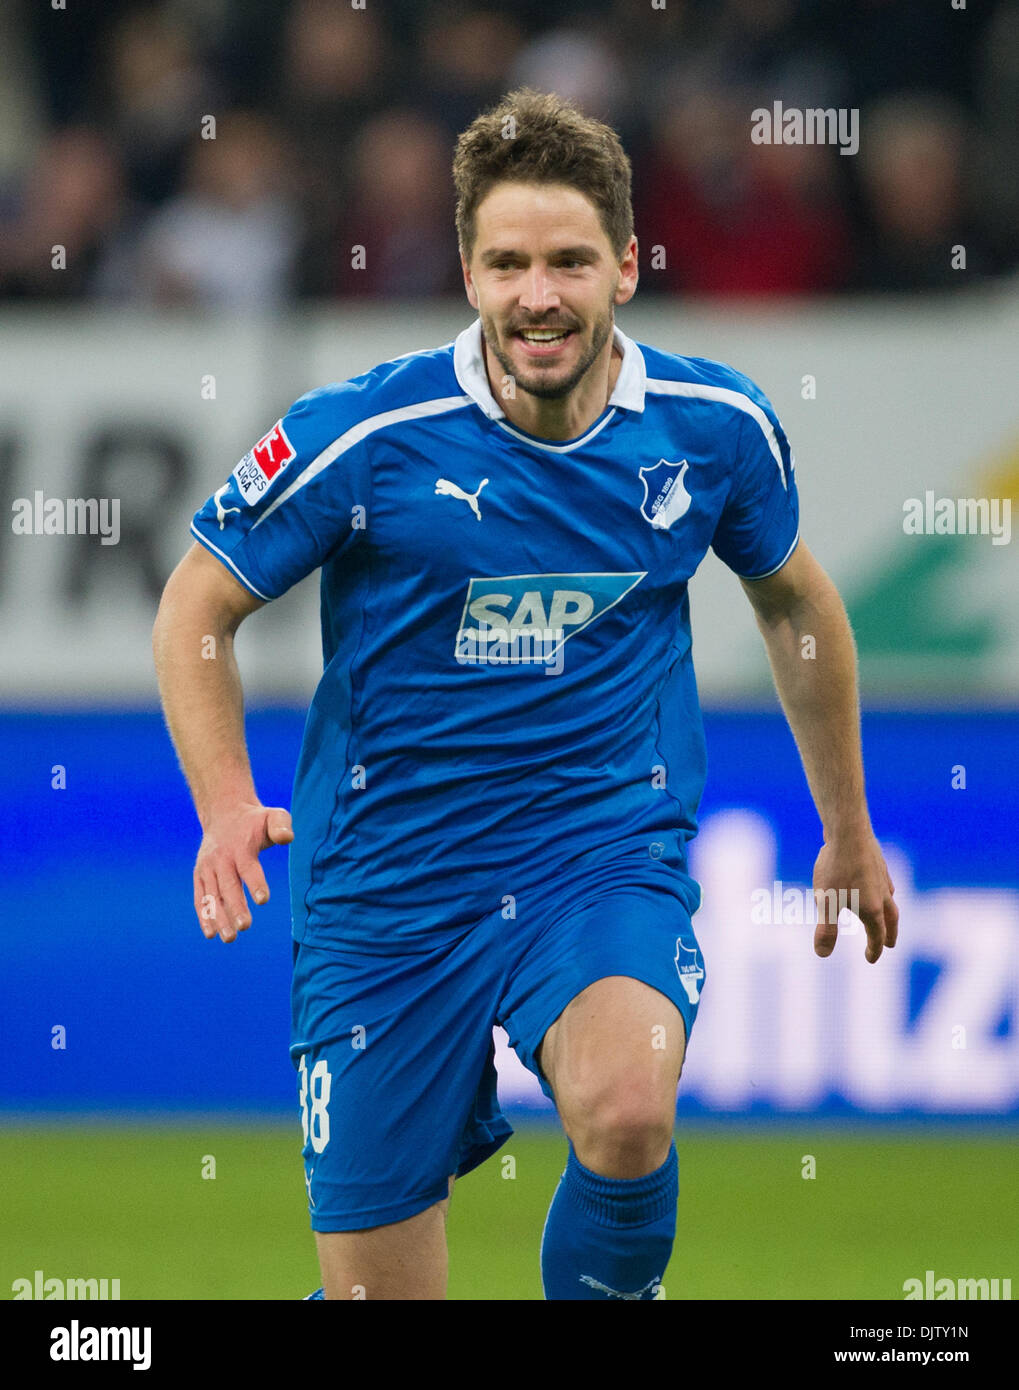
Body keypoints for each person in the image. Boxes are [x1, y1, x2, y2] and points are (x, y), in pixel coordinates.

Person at [152, 87, 899, 1301]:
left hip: (595, 852)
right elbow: (196, 605)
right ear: (466, 271)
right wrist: (225, 804)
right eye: (506, 263)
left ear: (625, 268)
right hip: (387, 887)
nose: (536, 295)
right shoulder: (365, 433)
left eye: (565, 261)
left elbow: (796, 605)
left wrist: (848, 830)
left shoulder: (712, 428)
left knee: (625, 1108)